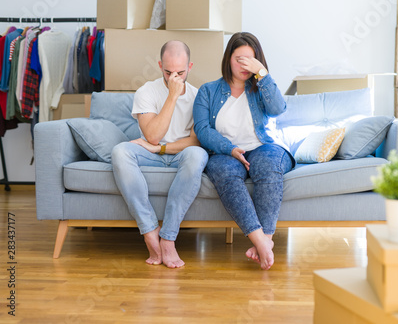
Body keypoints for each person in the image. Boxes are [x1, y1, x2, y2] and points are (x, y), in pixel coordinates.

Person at [193, 32, 294, 270]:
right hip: (225, 153)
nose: (244, 65)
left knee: (269, 166)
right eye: (239, 59)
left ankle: (264, 241)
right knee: (224, 172)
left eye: (251, 60)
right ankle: (261, 241)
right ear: (228, 59)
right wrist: (230, 149)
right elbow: (202, 129)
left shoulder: (260, 87)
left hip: (263, 147)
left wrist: (263, 74)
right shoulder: (207, 91)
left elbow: (279, 108)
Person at [111, 40, 208, 268]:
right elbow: (153, 136)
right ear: (159, 65)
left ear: (190, 67)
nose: (174, 77)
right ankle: (149, 230)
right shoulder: (146, 91)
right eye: (168, 72)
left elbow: (195, 141)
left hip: (179, 154)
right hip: (149, 152)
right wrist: (172, 96)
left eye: (181, 72)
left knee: (198, 155)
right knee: (120, 151)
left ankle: (169, 238)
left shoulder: (199, 96)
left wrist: (162, 148)